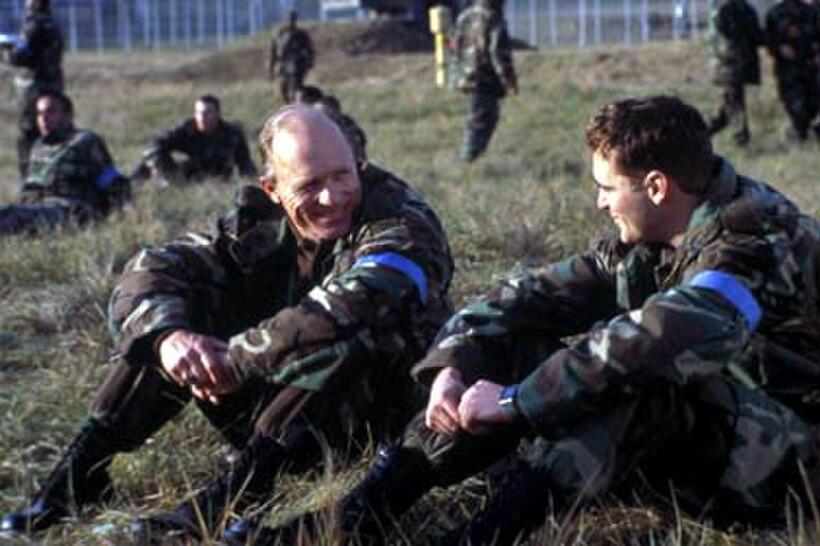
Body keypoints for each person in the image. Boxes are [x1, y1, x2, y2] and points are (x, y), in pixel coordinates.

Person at [245, 95, 820, 546]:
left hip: (795, 467)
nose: (599, 204)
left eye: (605, 188)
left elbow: (668, 336)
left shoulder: (753, 237)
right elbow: (520, 297)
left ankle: (485, 534)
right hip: (726, 433)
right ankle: (368, 510)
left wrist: (518, 400)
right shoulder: (662, 230)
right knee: (515, 343)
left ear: (656, 186)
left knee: (633, 375)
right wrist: (454, 366)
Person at [0, 105, 454, 542]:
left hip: (380, 421)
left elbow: (358, 303)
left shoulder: (401, 219)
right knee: (175, 317)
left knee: (338, 330)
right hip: (288, 419)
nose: (333, 197)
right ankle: (82, 473)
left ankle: (240, 489)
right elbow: (155, 266)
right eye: (311, 184)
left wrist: (235, 357)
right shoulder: (259, 222)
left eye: (343, 175)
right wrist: (170, 341)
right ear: (273, 188)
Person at [0, 90, 130, 236]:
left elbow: (114, 184)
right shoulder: (39, 147)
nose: (43, 119)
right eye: (40, 113)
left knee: (8, 216)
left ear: (67, 116)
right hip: (35, 209)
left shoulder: (85, 142)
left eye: (51, 112)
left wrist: (116, 222)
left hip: (69, 212)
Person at [130, 94, 258, 186]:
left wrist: (252, 183)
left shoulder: (232, 134)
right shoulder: (188, 129)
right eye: (199, 113)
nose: (202, 117)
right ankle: (130, 187)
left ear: (218, 114)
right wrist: (167, 170)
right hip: (188, 176)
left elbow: (246, 165)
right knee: (149, 158)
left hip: (217, 179)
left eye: (208, 112)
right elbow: (156, 144)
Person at [0, 0, 64, 178]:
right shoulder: (53, 23)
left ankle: (30, 183)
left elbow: (21, 57)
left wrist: (6, 51)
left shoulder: (34, 24)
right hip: (54, 86)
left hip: (34, 91)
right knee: (55, 135)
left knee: (29, 137)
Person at [450, 0, 517, 162]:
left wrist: (456, 75)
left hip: (467, 76)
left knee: (478, 116)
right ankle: (470, 158)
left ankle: (471, 156)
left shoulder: (465, 17)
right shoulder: (493, 19)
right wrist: (509, 80)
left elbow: (456, 47)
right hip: (485, 77)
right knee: (483, 119)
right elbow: (498, 54)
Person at [706, 0, 764, 145]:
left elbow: (757, 37)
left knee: (728, 109)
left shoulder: (747, 9)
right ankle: (742, 140)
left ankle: (700, 134)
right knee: (735, 105)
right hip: (727, 67)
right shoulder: (723, 11)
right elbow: (724, 39)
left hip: (741, 67)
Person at [765, 0, 820, 141]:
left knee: (812, 106)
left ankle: (802, 131)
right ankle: (798, 135)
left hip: (809, 68)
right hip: (788, 72)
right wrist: (779, 48)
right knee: (797, 108)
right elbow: (768, 40)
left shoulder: (809, 11)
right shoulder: (775, 14)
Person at [293, 85, 368, 168]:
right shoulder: (303, 126)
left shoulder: (341, 123)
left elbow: (358, 138)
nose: (297, 106)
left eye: (301, 102)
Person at [269, 11, 315, 103]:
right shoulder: (280, 34)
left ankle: (297, 103)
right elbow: (273, 51)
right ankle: (288, 103)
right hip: (284, 64)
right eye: (289, 19)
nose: (290, 22)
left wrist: (309, 62)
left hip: (297, 64)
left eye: (292, 19)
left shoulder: (301, 35)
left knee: (296, 87)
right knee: (283, 87)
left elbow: (310, 50)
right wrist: (271, 68)